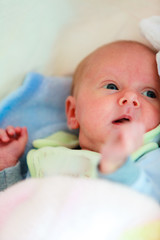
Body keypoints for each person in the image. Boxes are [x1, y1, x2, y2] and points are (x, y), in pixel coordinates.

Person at [0, 40, 160, 202]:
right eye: (111, 86)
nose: (131, 98)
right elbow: (13, 207)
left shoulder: (151, 159)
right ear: (73, 113)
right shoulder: (49, 156)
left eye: (150, 94)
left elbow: (152, 206)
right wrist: (6, 166)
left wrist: (118, 166)